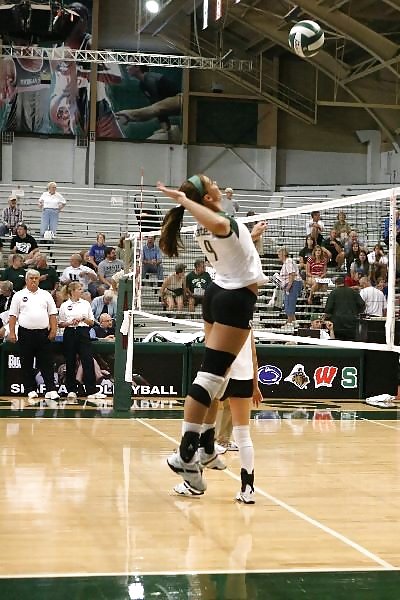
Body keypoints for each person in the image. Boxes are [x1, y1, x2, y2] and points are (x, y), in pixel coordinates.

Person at [157, 173, 266, 497]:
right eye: (210, 181)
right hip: (234, 300)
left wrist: (252, 236)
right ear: (207, 198)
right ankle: (186, 451)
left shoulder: (207, 226)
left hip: (218, 294)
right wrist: (184, 200)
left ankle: (203, 446)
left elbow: (237, 251)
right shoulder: (217, 221)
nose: (217, 182)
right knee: (209, 378)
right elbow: (222, 227)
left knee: (215, 379)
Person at [8, 269, 60, 407]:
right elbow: (13, 316)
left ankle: (51, 389)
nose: (34, 280)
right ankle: (30, 389)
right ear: (26, 280)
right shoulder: (19, 295)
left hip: (43, 333)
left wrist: (53, 330)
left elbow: (52, 314)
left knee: (47, 363)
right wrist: (12, 333)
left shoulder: (46, 295)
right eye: (31, 278)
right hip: (25, 333)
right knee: (26, 362)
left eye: (36, 278)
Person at [58, 282, 107, 404]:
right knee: (70, 361)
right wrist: (69, 322)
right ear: (72, 291)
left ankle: (91, 391)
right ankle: (71, 390)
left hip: (83, 332)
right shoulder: (65, 305)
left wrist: (82, 319)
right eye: (79, 289)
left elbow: (91, 322)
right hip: (70, 332)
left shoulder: (86, 304)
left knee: (87, 361)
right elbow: (61, 323)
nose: (82, 291)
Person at [116, 65, 182, 141]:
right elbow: (157, 106)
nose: (126, 67)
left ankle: (128, 115)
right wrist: (165, 127)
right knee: (155, 107)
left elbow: (158, 108)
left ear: (137, 67)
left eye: (129, 65)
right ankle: (129, 115)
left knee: (156, 108)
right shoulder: (142, 85)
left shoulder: (152, 79)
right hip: (168, 104)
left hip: (179, 99)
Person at [324, 276, 365, 341]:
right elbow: (362, 304)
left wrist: (327, 319)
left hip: (337, 323)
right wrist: (356, 313)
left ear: (336, 284)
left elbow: (328, 308)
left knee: (338, 344)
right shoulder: (353, 292)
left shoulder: (333, 293)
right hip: (351, 323)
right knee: (350, 344)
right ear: (344, 283)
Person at [277, 247, 303, 332]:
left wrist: (289, 286)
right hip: (292, 283)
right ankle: (295, 322)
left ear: (283, 254)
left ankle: (289, 323)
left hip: (293, 284)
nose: (278, 256)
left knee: (289, 303)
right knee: (288, 303)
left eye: (279, 254)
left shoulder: (288, 261)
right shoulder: (287, 262)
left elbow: (291, 274)